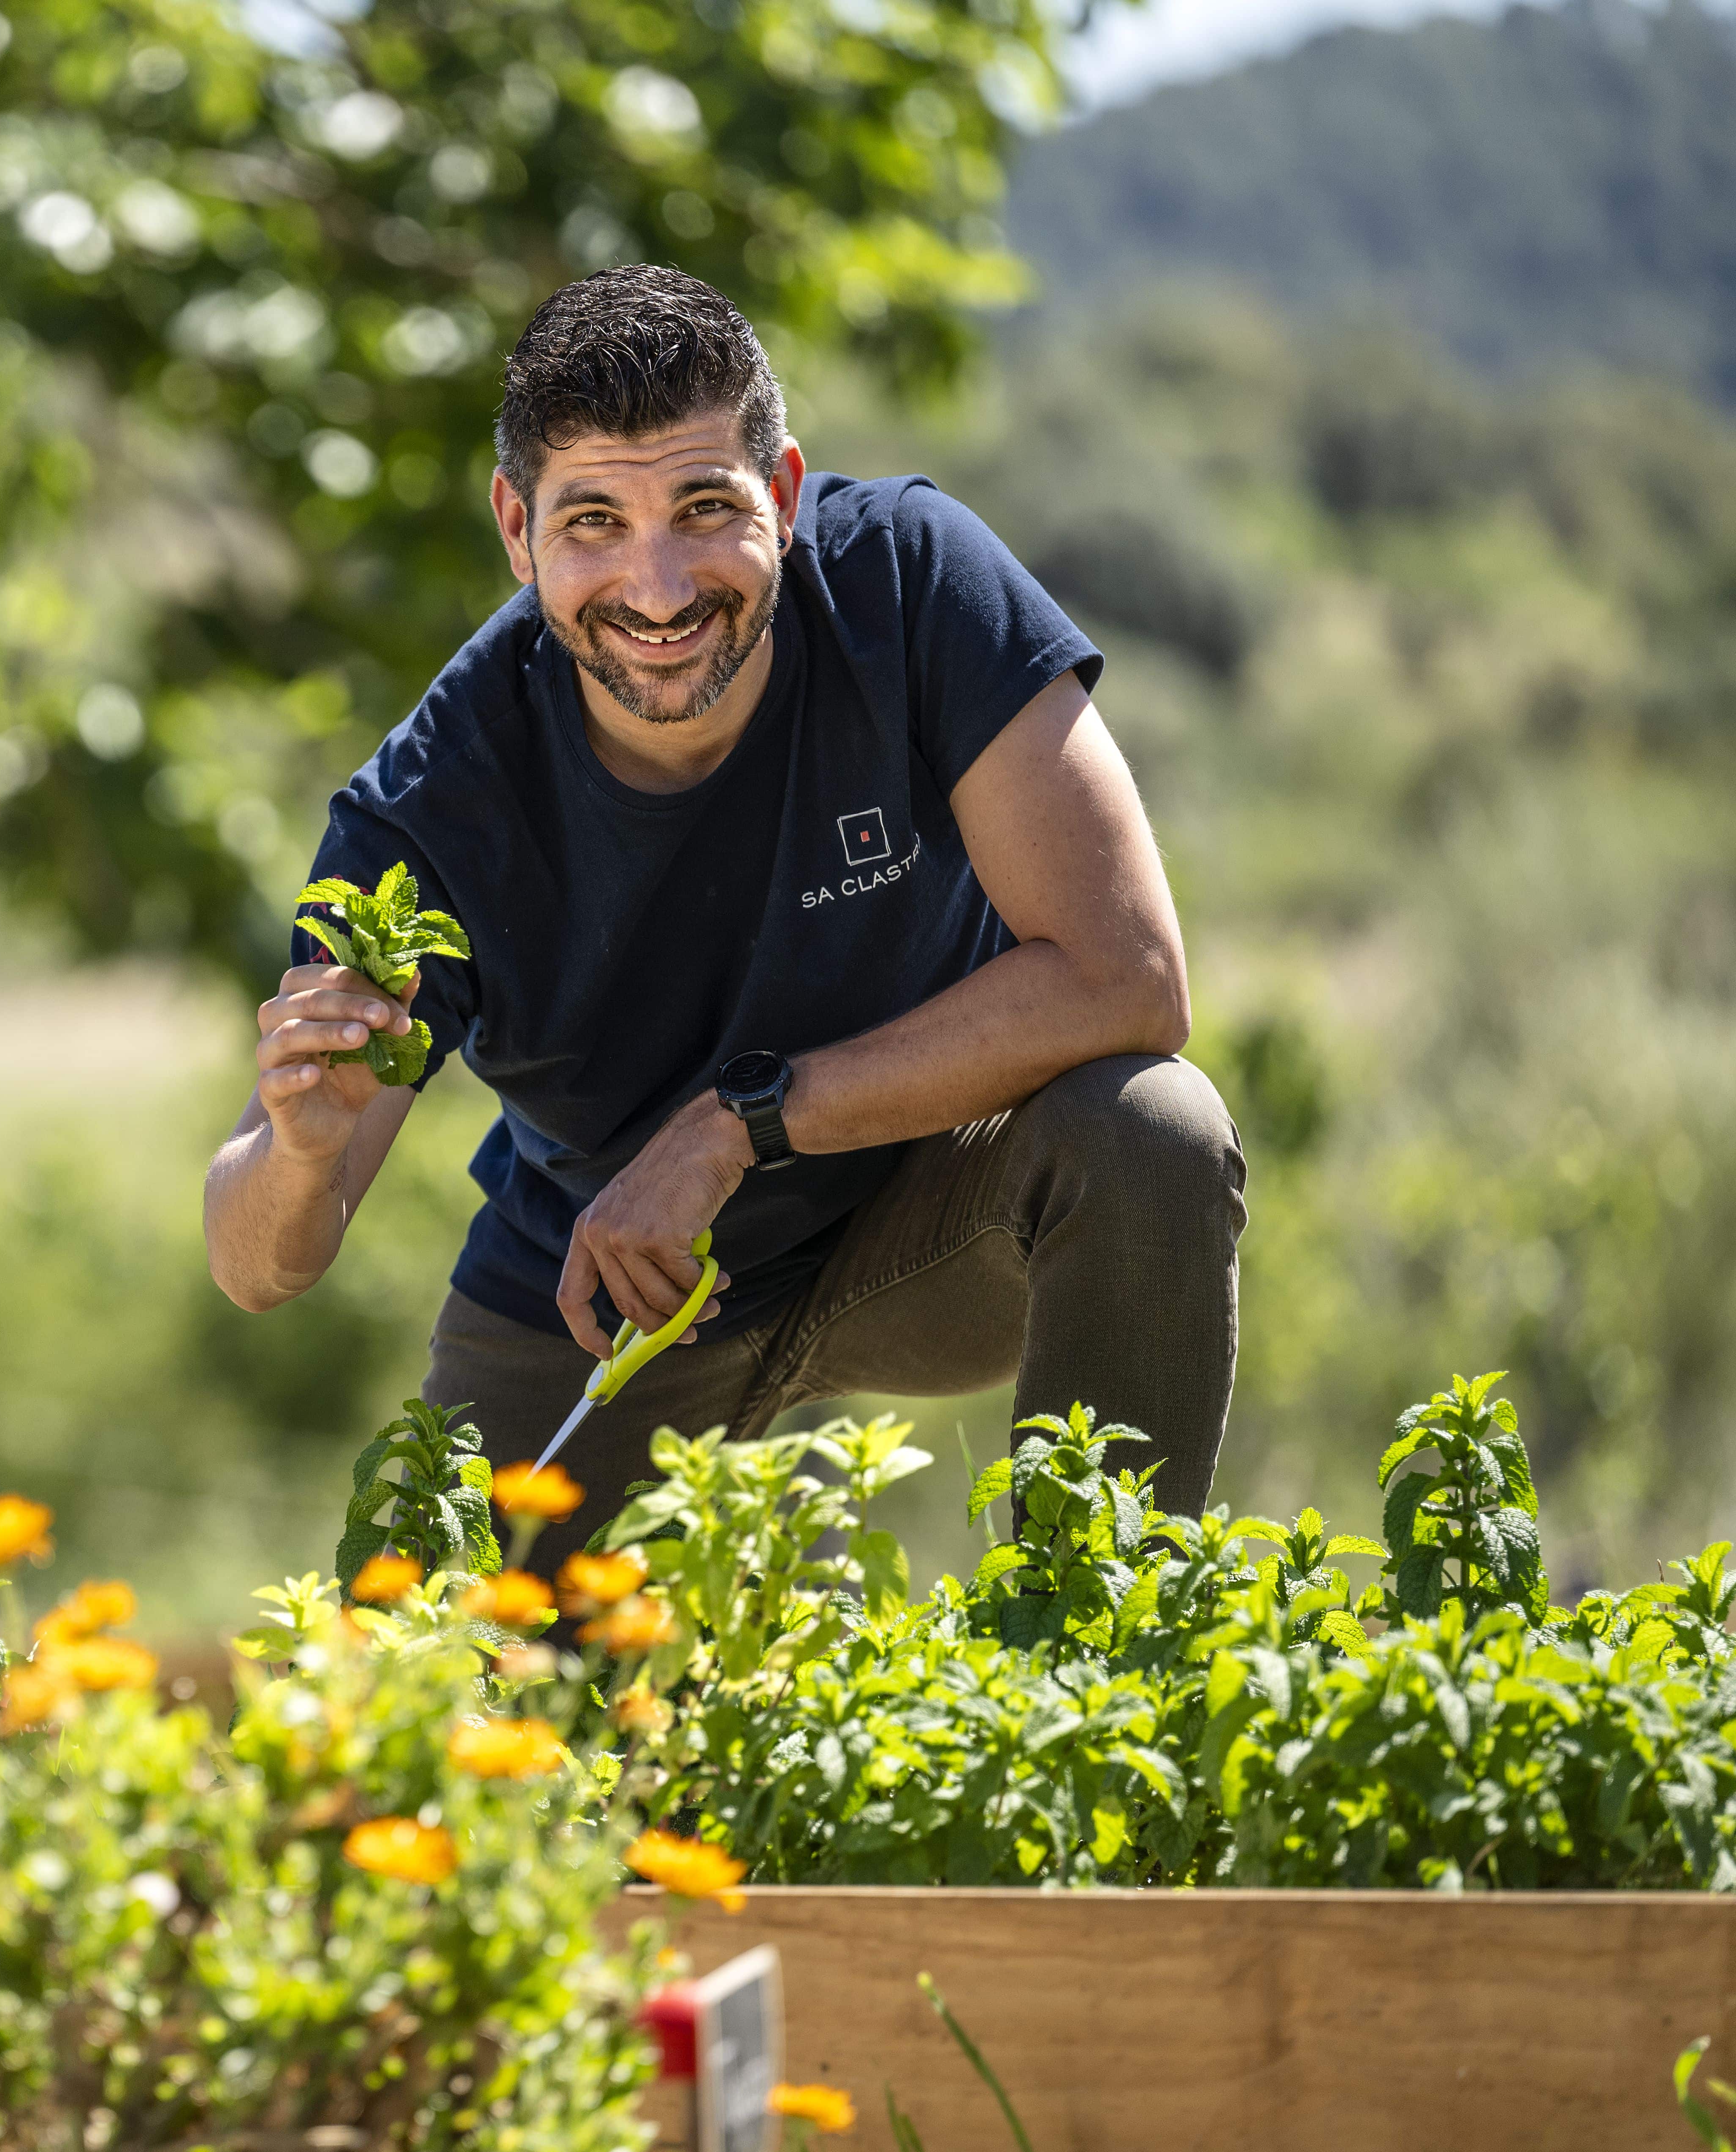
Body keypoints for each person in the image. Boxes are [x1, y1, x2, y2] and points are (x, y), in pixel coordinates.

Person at [201, 265, 1245, 1545]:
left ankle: (1100, 1642)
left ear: (785, 496)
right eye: (593, 522)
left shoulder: (912, 579)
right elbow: (260, 1265)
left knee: (1154, 1129)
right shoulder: (427, 813)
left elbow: (1131, 978)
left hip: (940, 1213)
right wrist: (302, 1155)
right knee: (461, 1662)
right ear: (517, 530)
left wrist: (734, 1127)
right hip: (605, 1293)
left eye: (705, 507)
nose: (658, 588)